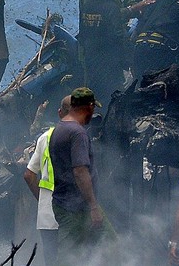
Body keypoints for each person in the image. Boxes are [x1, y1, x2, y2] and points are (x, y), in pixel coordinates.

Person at [49, 87, 113, 266]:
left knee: (93, 249)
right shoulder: (78, 133)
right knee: (70, 257)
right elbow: (80, 171)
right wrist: (93, 206)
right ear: (89, 107)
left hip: (68, 203)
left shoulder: (59, 129)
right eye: (93, 108)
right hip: (76, 207)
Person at [23, 95, 71, 265]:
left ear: (59, 113)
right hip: (72, 214)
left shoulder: (45, 137)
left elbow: (28, 175)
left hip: (47, 214)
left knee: (51, 261)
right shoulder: (79, 137)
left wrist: (43, 200)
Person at [77, 0, 131, 105]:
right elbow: (118, 37)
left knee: (94, 97)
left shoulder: (89, 4)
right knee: (111, 98)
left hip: (91, 60)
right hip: (109, 62)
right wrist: (126, 64)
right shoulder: (111, 7)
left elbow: (82, 32)